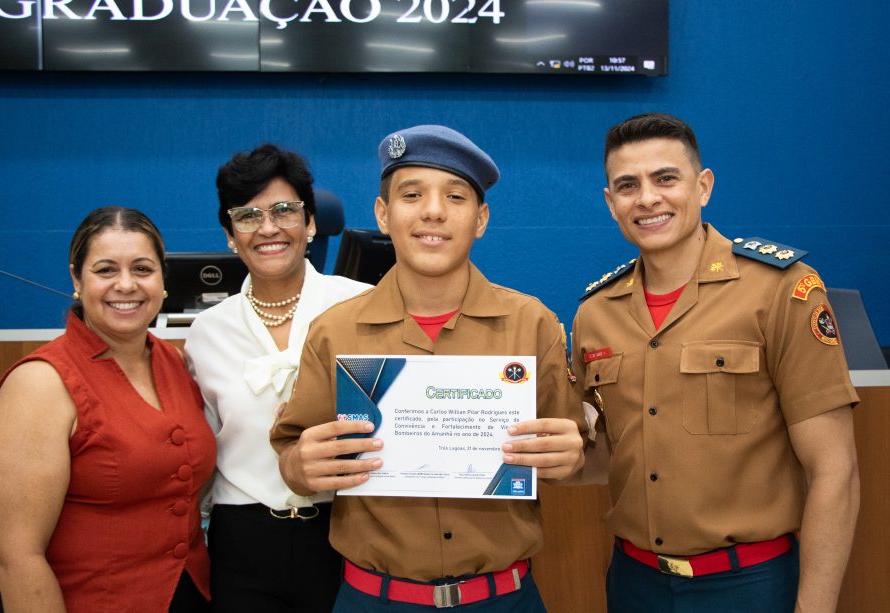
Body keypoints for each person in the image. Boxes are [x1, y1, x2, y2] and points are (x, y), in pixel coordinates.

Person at [271, 124, 586, 612]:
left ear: (480, 218)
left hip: (503, 599)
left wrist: (570, 456)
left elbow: (566, 457)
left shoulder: (533, 324)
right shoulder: (335, 331)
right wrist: (300, 465)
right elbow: (292, 456)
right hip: (374, 599)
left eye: (455, 196)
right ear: (383, 214)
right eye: (411, 194)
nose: (433, 210)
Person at [571, 112, 860, 612]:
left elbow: (835, 470)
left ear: (703, 186)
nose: (647, 198)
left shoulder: (781, 290)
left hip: (750, 585)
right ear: (610, 203)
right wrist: (534, 455)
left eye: (666, 178)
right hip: (634, 584)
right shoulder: (596, 314)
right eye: (627, 185)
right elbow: (611, 457)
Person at [0, 206, 215, 612]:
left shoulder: (176, 362)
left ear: (162, 281)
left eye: (142, 269)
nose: (126, 285)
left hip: (187, 596)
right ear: (76, 279)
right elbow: (13, 557)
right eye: (106, 270)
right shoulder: (40, 383)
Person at [184, 144, 371, 612]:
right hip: (242, 542)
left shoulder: (363, 307)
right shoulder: (207, 332)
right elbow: (204, 446)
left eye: (284, 210)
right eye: (248, 216)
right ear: (230, 234)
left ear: (309, 223)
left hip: (345, 529)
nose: (268, 228)